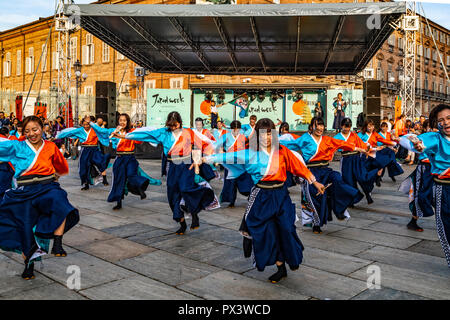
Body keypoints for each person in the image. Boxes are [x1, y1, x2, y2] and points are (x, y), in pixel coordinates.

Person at [204, 118, 325, 283]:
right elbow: (227, 156)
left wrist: (314, 181)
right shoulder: (249, 153)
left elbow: (299, 167)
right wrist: (204, 159)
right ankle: (279, 266)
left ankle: (289, 259)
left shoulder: (282, 151)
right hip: (261, 195)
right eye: (262, 134)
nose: (266, 137)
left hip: (281, 195)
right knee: (268, 234)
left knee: (287, 228)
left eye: (269, 134)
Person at [0, 116, 79, 280]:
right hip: (24, 190)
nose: (31, 134)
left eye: (35, 129)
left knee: (60, 200)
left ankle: (58, 242)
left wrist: (56, 175)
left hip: (46, 186)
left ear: (42, 129)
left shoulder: (50, 146)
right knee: (24, 229)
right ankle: (28, 264)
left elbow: (62, 167)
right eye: (27, 131)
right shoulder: (17, 145)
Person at [124, 111, 216, 235]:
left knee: (185, 188)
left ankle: (194, 214)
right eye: (171, 125)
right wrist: (127, 136)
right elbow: (146, 134)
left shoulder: (189, 132)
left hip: (186, 165)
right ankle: (182, 222)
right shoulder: (164, 132)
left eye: (175, 125)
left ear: (180, 123)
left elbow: (205, 143)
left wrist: (200, 160)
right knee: (172, 194)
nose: (173, 127)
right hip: (172, 166)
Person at [281, 117, 368, 234]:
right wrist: (268, 141)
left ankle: (340, 209)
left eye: (322, 125)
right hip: (311, 171)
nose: (320, 128)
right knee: (316, 198)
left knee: (337, 179)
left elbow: (342, 144)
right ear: (311, 127)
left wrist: (360, 149)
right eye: (317, 125)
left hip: (325, 170)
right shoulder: (305, 139)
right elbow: (290, 144)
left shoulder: (327, 139)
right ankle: (316, 224)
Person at [400, 104, 450, 267]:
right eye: (441, 120)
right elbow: (406, 139)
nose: (446, 122)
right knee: (446, 226)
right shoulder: (434, 138)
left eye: (449, 118)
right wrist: (415, 143)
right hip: (443, 188)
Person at [89, 113, 162, 210]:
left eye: (124, 120)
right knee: (119, 180)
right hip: (119, 158)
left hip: (130, 158)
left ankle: (141, 189)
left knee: (132, 174)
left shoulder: (131, 132)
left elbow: (139, 140)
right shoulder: (113, 131)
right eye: (120, 120)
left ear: (127, 122)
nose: (122, 122)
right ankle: (119, 202)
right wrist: (91, 123)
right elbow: (102, 131)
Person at [56, 115, 111, 190]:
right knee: (83, 167)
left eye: (87, 124)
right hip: (85, 149)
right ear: (82, 124)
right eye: (84, 124)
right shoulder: (80, 130)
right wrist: (58, 136)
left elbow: (104, 132)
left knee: (101, 161)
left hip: (94, 149)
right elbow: (70, 132)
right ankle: (85, 183)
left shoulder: (95, 129)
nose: (86, 126)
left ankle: (103, 178)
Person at [334, 118, 377, 205]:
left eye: (349, 127)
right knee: (348, 180)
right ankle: (352, 200)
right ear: (341, 126)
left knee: (362, 177)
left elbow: (362, 144)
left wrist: (368, 147)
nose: (347, 129)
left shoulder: (354, 135)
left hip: (356, 158)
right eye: (345, 126)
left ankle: (367, 193)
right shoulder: (337, 137)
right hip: (346, 159)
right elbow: (331, 147)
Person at [213, 120, 252, 208]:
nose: (236, 131)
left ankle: (249, 195)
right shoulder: (226, 136)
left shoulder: (243, 137)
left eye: (237, 129)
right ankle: (231, 200)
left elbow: (248, 147)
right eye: (234, 129)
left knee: (245, 180)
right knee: (231, 183)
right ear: (231, 129)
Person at [358, 119, 403, 186]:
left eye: (372, 126)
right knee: (365, 172)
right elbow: (357, 144)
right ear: (365, 126)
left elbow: (382, 140)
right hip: (364, 155)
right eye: (369, 126)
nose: (371, 128)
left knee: (381, 163)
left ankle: (378, 178)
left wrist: (394, 142)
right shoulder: (360, 134)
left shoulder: (375, 134)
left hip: (374, 154)